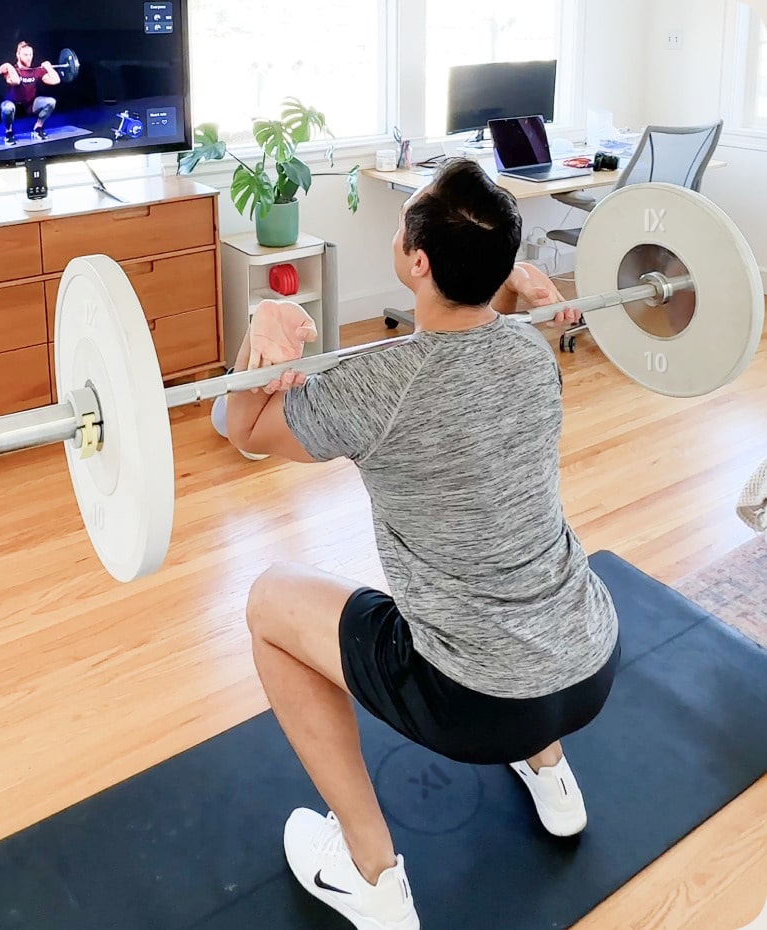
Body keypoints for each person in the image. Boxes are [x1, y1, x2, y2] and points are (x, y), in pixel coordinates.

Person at [225, 159, 621, 930]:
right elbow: (483, 320)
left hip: (474, 705)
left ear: (415, 260)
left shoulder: (377, 386)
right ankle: (553, 776)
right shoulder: (534, 357)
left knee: (269, 600)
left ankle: (371, 875)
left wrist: (259, 339)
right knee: (508, 559)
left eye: (411, 219)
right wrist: (525, 286)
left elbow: (241, 431)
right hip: (591, 658)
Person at [0, 40, 60, 145]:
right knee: (7, 108)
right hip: (13, 105)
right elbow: (16, 81)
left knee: (51, 102)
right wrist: (8, 66)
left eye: (30, 54)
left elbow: (55, 80)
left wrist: (48, 67)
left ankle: (38, 128)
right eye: (25, 54)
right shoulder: (11, 71)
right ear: (18, 55)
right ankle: (9, 133)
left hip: (30, 105)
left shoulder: (36, 71)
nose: (29, 57)